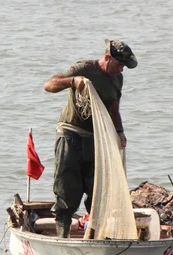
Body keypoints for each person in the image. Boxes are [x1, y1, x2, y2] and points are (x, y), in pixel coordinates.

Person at [44, 39, 138, 238]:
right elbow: (49, 85)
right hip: (70, 133)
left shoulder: (117, 79)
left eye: (124, 66)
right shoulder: (84, 69)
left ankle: (93, 235)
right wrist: (73, 81)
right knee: (67, 188)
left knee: (97, 189)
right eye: (119, 64)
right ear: (107, 58)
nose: (121, 69)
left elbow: (114, 109)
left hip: (97, 138)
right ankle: (63, 234)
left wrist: (120, 132)